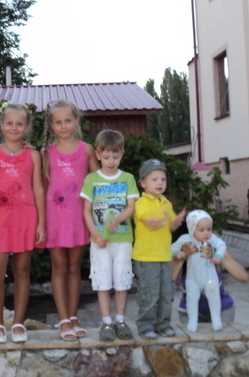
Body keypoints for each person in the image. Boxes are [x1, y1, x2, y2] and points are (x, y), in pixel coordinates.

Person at [0, 101, 45, 344]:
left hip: (26, 220)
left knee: (22, 271)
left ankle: (18, 322)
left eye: (19, 124)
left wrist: (41, 222)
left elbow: (38, 189)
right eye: (10, 123)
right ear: (1, 125)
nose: (14, 128)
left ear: (27, 127)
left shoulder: (33, 155)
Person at [42, 99, 99, 341]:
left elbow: (98, 182)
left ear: (77, 121)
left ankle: (74, 316)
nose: (63, 126)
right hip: (55, 218)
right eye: (58, 122)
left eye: (68, 120)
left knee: (75, 268)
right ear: (51, 125)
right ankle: (63, 318)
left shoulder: (87, 150)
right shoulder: (46, 153)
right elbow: (42, 187)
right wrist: (41, 222)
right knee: (60, 267)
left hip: (78, 217)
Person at [80, 129, 139, 342]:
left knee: (122, 282)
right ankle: (106, 323)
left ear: (122, 153)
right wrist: (95, 235)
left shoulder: (128, 178)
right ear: (98, 154)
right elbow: (86, 211)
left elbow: (131, 207)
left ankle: (120, 321)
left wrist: (117, 219)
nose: (111, 161)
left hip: (123, 240)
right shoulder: (91, 179)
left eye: (116, 156)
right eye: (106, 157)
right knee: (102, 282)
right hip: (99, 243)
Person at [132, 159, 186, 339]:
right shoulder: (141, 202)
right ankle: (146, 325)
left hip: (164, 256)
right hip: (146, 257)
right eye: (154, 179)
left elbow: (170, 227)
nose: (159, 183)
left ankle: (163, 324)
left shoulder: (166, 203)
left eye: (163, 179)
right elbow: (151, 224)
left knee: (166, 293)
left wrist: (177, 221)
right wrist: (166, 220)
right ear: (143, 183)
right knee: (150, 293)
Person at [172, 210, 227, 332]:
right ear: (192, 229)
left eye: (209, 229)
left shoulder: (212, 239)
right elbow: (173, 247)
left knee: (214, 296)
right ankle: (192, 321)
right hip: (193, 278)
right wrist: (178, 253)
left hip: (210, 276)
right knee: (192, 298)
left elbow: (222, 245)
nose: (206, 233)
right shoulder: (186, 239)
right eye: (201, 230)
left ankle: (216, 320)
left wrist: (218, 256)